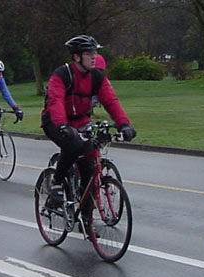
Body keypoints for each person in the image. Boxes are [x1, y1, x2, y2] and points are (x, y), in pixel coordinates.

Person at [41, 35, 136, 224]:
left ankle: (87, 219)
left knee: (89, 166)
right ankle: (56, 184)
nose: (94, 57)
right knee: (72, 144)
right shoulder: (62, 74)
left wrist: (124, 124)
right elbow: (55, 101)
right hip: (55, 121)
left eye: (95, 53)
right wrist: (62, 125)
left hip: (80, 121)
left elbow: (110, 100)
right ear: (77, 57)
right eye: (89, 53)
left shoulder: (97, 76)